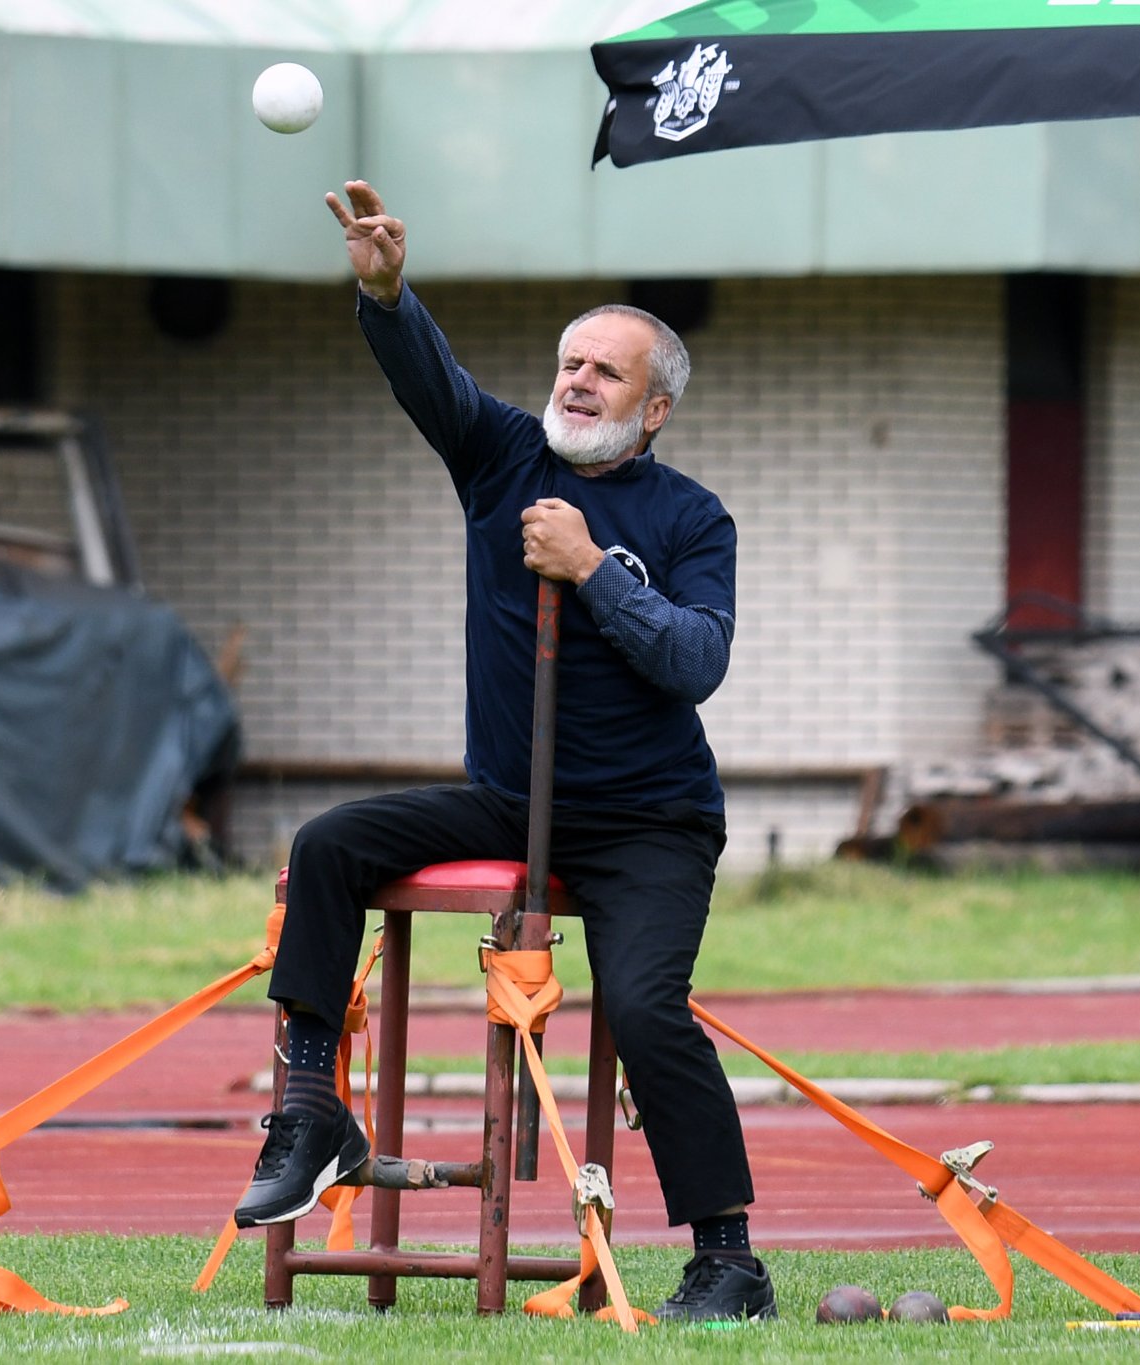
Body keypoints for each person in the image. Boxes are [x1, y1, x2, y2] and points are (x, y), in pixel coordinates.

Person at [233, 181, 773, 1324]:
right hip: (506, 799)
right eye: (568, 363)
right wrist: (388, 295)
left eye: (604, 373)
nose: (574, 382)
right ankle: (310, 1111)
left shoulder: (691, 518)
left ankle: (726, 1260)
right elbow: (429, 380)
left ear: (653, 409)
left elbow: (693, 664)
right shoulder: (499, 457)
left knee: (646, 1008)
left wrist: (590, 569)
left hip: (649, 822)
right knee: (327, 844)